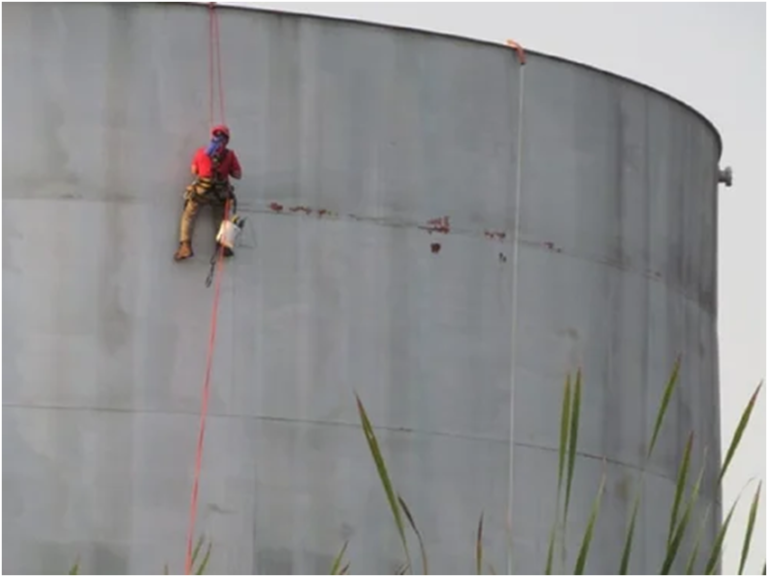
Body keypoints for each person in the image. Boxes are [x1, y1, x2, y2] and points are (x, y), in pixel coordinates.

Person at [173, 124, 242, 261]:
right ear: (227, 140)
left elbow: (194, 171)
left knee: (189, 215)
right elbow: (238, 175)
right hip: (220, 193)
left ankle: (185, 246)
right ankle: (223, 246)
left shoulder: (201, 152)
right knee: (221, 218)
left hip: (201, 191)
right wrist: (226, 168)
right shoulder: (229, 155)